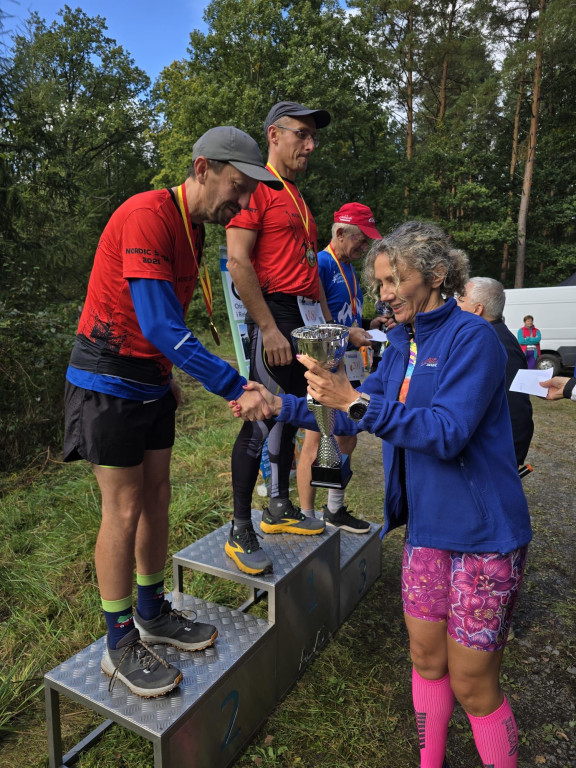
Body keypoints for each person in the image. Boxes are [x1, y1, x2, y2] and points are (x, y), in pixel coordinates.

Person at [233, 221, 532, 768]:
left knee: (472, 684)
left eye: (394, 279)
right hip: (426, 532)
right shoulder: (398, 344)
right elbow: (351, 407)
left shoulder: (475, 340)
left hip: (483, 539)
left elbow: (445, 432)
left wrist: (355, 404)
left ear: (438, 275)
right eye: (379, 282)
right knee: (425, 659)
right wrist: (279, 405)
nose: (385, 293)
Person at [63, 126, 281, 698]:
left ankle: (152, 611)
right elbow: (161, 324)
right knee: (125, 504)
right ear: (203, 167)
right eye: (236, 187)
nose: (241, 203)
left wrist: (167, 380)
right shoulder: (147, 214)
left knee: (158, 495)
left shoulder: (192, 230)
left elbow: (161, 331)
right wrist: (236, 385)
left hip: (149, 378)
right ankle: (117, 643)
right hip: (106, 377)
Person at [225, 101, 332, 576]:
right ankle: (239, 526)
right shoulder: (257, 189)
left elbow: (311, 274)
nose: (310, 145)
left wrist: (331, 329)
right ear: (274, 134)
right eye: (302, 134)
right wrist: (268, 326)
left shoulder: (298, 196)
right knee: (259, 416)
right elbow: (237, 261)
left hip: (305, 318)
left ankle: (278, 507)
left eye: (313, 137)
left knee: (292, 413)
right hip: (274, 313)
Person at [296, 203, 382, 533]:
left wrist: (367, 324)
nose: (365, 248)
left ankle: (333, 509)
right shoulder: (319, 263)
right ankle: (307, 516)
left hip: (347, 369)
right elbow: (312, 322)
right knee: (316, 442)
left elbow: (344, 315)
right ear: (341, 233)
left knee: (347, 437)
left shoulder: (347, 267)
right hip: (322, 366)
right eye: (362, 240)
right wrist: (350, 334)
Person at [457, 277, 534, 465]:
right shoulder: (482, 337)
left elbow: (517, 407)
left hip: (492, 459)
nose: (454, 304)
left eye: (460, 299)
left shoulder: (500, 344)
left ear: (477, 309)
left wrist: (511, 460)